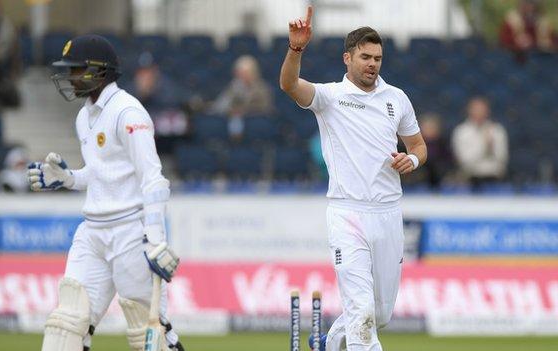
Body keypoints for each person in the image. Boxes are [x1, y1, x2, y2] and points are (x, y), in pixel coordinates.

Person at [280, 6, 427, 351]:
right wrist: (296, 49)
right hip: (347, 213)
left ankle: (331, 342)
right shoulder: (330, 97)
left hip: (388, 213)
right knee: (360, 311)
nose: (372, 64)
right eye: (365, 57)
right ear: (347, 58)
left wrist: (412, 160)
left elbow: (418, 145)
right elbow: (288, 85)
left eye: (377, 57)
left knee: (379, 314)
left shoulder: (396, 99)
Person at [26, 34, 183, 351]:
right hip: (92, 233)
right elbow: (101, 174)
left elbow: (153, 179)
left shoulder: (128, 113)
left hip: (129, 233)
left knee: (149, 334)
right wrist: (69, 178)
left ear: (98, 72)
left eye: (75, 70)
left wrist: (155, 239)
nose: (70, 77)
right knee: (66, 326)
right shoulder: (84, 116)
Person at [128, 51, 191, 156]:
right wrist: (141, 95)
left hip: (165, 147)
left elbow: (177, 121)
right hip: (138, 149)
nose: (146, 77)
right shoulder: (128, 92)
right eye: (142, 73)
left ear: (155, 71)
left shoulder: (169, 90)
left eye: (149, 72)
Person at [451, 96, 508, 190]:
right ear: (469, 110)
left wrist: (492, 146)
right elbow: (464, 161)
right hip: (471, 178)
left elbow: (502, 158)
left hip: (494, 177)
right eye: (476, 109)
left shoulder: (497, 130)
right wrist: (484, 145)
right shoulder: (461, 132)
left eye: (482, 109)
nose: (479, 112)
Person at [211, 55, 273, 138]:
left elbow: (265, 106)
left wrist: (244, 110)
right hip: (235, 120)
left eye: (245, 72)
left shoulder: (262, 88)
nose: (242, 75)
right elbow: (222, 104)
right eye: (240, 72)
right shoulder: (233, 86)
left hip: (254, 121)